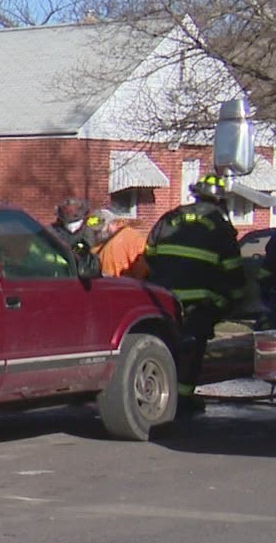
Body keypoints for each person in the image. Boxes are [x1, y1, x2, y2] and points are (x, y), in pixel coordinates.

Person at [145, 173, 247, 413]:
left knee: (165, 346)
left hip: (162, 299)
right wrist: (236, 299)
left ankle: (159, 395)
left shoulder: (169, 218)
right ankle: (182, 400)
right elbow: (232, 269)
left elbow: (150, 253)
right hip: (197, 304)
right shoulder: (220, 226)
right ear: (221, 201)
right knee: (192, 350)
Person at [87, 208, 149, 279]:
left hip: (123, 286)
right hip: (126, 286)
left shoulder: (128, 238)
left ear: (112, 224)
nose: (97, 234)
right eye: (95, 232)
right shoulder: (133, 236)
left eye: (99, 231)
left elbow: (142, 268)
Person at [52, 196, 96, 274]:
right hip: (56, 270)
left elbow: (87, 244)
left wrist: (74, 251)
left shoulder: (88, 228)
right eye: (67, 213)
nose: (71, 216)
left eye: (74, 213)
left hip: (81, 270)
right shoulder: (53, 229)